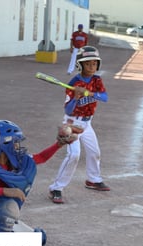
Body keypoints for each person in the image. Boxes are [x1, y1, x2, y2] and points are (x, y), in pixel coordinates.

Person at [0, 120, 78, 237]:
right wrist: (4, 191)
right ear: (4, 146)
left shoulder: (14, 162)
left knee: (39, 238)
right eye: (15, 142)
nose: (18, 145)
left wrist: (59, 144)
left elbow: (41, 157)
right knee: (8, 206)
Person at [49, 46, 109, 204]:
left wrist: (90, 93)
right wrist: (76, 96)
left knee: (95, 152)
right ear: (80, 65)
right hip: (72, 123)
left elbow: (105, 97)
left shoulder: (97, 80)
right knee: (73, 155)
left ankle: (93, 180)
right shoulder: (74, 83)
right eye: (88, 64)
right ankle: (56, 188)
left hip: (87, 123)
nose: (92, 67)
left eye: (94, 64)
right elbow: (67, 109)